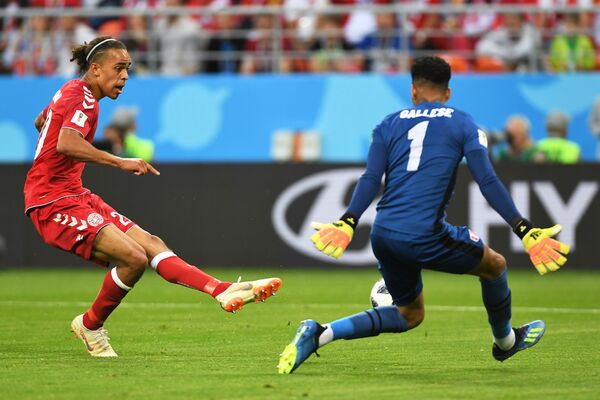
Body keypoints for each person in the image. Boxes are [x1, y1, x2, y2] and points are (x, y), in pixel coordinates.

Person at [277, 56, 569, 374]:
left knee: (410, 314)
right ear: (448, 93)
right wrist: (524, 229)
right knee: (495, 265)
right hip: (425, 233)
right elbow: (487, 180)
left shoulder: (388, 124)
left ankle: (319, 333)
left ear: (413, 91)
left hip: (383, 233)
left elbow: (371, 178)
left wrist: (348, 221)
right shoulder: (464, 123)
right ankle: (506, 343)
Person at [24, 36, 281, 358]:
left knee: (152, 243)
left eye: (128, 69)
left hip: (73, 192)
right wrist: (120, 161)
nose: (125, 77)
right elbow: (66, 143)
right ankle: (90, 326)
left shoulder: (71, 91)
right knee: (134, 259)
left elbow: (41, 122)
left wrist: (50, 148)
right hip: (51, 199)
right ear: (95, 69)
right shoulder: (84, 100)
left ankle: (220, 289)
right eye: (118, 69)